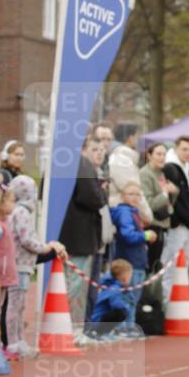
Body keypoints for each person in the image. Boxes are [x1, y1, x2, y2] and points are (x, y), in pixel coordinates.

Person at [7, 175, 66, 356]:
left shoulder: (15, 211)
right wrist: (46, 247)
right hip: (20, 265)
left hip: (20, 264)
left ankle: (18, 340)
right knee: (16, 305)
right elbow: (26, 239)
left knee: (18, 305)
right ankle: (14, 342)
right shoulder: (22, 212)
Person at [59, 137, 109, 331]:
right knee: (76, 285)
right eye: (94, 148)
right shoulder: (82, 164)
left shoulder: (57, 163)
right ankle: (74, 329)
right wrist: (102, 192)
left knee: (62, 283)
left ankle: (62, 327)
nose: (98, 153)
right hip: (80, 235)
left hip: (60, 234)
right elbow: (92, 197)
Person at [161, 135, 189, 307]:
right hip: (178, 226)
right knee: (171, 267)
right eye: (184, 149)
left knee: (183, 268)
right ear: (176, 148)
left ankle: (178, 308)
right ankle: (166, 307)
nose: (188, 153)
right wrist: (178, 220)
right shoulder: (171, 168)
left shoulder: (187, 168)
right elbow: (174, 199)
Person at [110, 183, 157, 329]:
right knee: (128, 297)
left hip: (136, 260)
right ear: (123, 196)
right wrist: (145, 235)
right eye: (131, 194)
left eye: (138, 195)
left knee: (133, 298)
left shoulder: (133, 212)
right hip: (130, 262)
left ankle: (128, 327)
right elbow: (127, 235)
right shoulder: (124, 212)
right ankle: (124, 328)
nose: (135, 197)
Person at [139, 142, 176, 267]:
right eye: (158, 154)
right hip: (151, 226)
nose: (162, 157)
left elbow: (169, 201)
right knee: (150, 266)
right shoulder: (144, 174)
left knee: (158, 266)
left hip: (163, 225)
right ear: (149, 156)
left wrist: (173, 191)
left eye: (164, 154)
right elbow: (147, 203)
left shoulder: (161, 174)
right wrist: (165, 193)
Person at [108, 123, 153, 225]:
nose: (137, 140)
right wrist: (147, 216)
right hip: (124, 214)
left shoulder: (122, 158)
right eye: (136, 136)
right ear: (130, 138)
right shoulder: (122, 160)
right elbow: (134, 191)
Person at [0, 185, 18, 351]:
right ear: (1, 203)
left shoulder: (4, 224)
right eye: (11, 201)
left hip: (3, 277)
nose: (14, 205)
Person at [85, 258, 134, 338]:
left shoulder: (110, 285)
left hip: (96, 318)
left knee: (120, 312)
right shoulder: (114, 288)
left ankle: (104, 332)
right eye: (130, 275)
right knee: (122, 312)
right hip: (97, 320)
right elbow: (116, 304)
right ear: (125, 277)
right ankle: (99, 332)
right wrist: (127, 308)